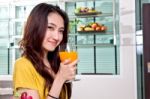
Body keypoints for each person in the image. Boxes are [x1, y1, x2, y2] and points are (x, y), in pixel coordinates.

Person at [13, 3, 78, 99]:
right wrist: (60, 79)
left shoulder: (56, 64)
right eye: (50, 27)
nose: (57, 37)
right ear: (35, 28)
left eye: (60, 31)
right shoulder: (23, 65)